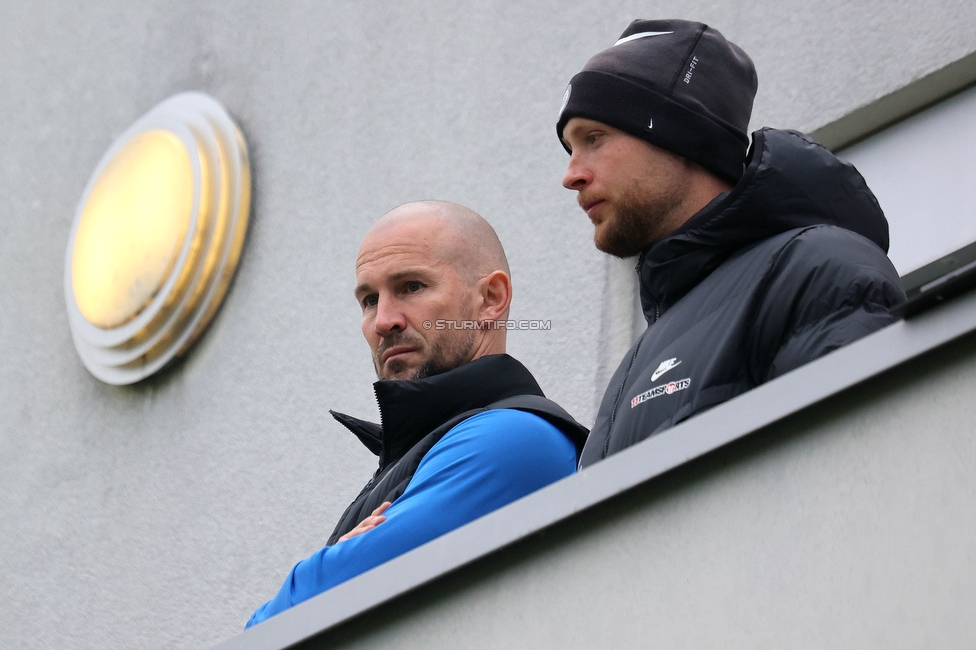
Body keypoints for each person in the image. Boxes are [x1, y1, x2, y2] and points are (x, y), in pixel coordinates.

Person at [555, 19, 906, 467]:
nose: (572, 175)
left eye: (594, 139)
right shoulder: (641, 357)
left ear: (680, 137)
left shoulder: (818, 271)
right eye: (571, 148)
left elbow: (852, 483)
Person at [246, 201, 587, 627]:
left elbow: (279, 629)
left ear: (490, 299)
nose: (384, 320)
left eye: (411, 287)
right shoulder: (430, 450)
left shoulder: (513, 437)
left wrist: (325, 566)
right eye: (369, 300)